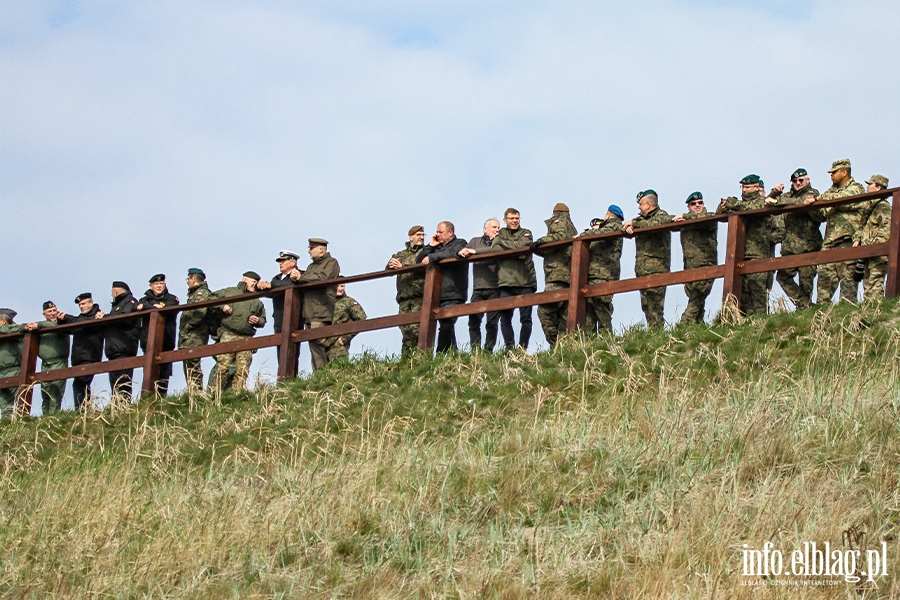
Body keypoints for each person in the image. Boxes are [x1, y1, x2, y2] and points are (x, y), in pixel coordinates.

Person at [808, 159, 869, 305]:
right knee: (823, 284)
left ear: (845, 172)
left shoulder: (856, 188)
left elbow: (845, 200)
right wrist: (811, 205)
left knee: (848, 286)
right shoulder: (830, 192)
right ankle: (821, 319)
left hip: (849, 241)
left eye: (834, 172)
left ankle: (847, 318)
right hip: (830, 243)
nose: (831, 175)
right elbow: (821, 214)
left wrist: (820, 199)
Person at [715, 175, 774, 316]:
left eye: (748, 187)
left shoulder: (761, 201)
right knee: (743, 291)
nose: (745, 190)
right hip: (740, 253)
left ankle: (762, 319)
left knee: (758, 289)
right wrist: (723, 204)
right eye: (743, 187)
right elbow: (720, 213)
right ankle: (748, 321)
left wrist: (732, 203)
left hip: (758, 253)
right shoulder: (738, 203)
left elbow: (752, 207)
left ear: (757, 187)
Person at [764, 169, 822, 310]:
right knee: (782, 276)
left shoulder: (812, 193)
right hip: (790, 248)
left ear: (807, 180)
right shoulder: (786, 196)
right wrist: (775, 193)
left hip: (808, 246)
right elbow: (767, 203)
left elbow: (800, 203)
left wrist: (778, 201)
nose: (797, 183)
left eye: (801, 180)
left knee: (806, 281)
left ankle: (805, 312)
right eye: (795, 181)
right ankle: (805, 306)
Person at [209, 272, 267, 394]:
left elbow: (263, 319)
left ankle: (238, 394)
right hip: (228, 334)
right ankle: (215, 393)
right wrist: (222, 306)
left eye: (256, 283)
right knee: (223, 365)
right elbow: (211, 298)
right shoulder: (230, 292)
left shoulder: (257, 301)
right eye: (253, 282)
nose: (255, 285)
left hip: (247, 337)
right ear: (245, 280)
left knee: (243, 368)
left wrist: (258, 320)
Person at [417, 221, 468, 352]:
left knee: (446, 323)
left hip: (454, 292)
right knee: (446, 324)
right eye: (437, 231)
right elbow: (419, 260)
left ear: (450, 233)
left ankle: (439, 354)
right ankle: (453, 353)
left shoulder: (460, 243)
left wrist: (432, 257)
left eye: (440, 232)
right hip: (437, 294)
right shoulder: (436, 247)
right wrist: (430, 246)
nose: (437, 234)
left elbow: (453, 253)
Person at [624, 190, 673, 327]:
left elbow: (655, 224)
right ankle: (653, 331)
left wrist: (634, 224)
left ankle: (657, 332)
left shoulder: (661, 215)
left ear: (648, 204)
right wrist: (628, 227)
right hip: (642, 269)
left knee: (656, 305)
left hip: (657, 268)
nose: (639, 207)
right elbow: (625, 226)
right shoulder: (640, 220)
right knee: (646, 305)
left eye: (640, 204)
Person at [491, 208, 537, 349]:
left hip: (526, 281)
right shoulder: (501, 233)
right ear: (505, 220)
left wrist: (506, 249)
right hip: (506, 282)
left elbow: (523, 245)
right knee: (505, 318)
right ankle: (509, 348)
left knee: (526, 318)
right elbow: (494, 250)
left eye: (517, 218)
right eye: (511, 218)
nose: (515, 221)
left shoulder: (526, 232)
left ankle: (522, 348)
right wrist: (516, 253)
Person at [533, 203, 577, 346]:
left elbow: (559, 237)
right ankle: (564, 346)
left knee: (545, 310)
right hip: (569, 276)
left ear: (554, 214)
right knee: (564, 315)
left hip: (558, 276)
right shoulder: (571, 226)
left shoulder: (560, 222)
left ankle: (555, 344)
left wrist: (538, 243)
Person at [672, 192, 718, 324]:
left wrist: (685, 216)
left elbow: (704, 220)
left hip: (706, 264)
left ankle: (684, 324)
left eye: (700, 203)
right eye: (693, 204)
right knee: (696, 297)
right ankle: (698, 325)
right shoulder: (685, 221)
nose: (697, 205)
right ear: (688, 206)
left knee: (697, 297)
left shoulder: (709, 218)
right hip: (689, 266)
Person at [578, 205, 624, 333]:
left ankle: (606, 339)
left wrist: (583, 235)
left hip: (604, 274)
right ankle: (591, 342)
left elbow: (604, 232)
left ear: (608, 215)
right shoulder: (606, 227)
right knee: (590, 310)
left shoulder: (614, 225)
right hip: (596, 274)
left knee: (602, 308)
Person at [298, 238, 341, 371]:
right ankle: (321, 374)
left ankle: (333, 369)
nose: (309, 251)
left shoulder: (331, 262)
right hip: (310, 311)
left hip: (321, 310)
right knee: (314, 344)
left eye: (311, 248)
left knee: (319, 341)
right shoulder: (311, 267)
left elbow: (323, 278)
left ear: (321, 250)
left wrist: (301, 277)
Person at [458, 218, 501, 351]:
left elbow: (494, 250)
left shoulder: (501, 242)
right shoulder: (475, 241)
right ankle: (475, 351)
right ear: (485, 229)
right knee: (474, 321)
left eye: (498, 227)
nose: (497, 230)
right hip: (478, 288)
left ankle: (488, 351)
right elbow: (463, 251)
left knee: (492, 322)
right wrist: (461, 252)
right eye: (494, 227)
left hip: (495, 288)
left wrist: (475, 252)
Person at [256, 251, 303, 371]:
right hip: (279, 317)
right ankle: (282, 377)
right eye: (280, 261)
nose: (280, 263)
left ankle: (292, 377)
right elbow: (273, 291)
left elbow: (285, 287)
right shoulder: (276, 278)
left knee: (292, 349)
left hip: (294, 316)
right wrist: (260, 286)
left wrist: (271, 287)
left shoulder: (299, 275)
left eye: (284, 261)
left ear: (293, 262)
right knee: (280, 348)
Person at [57, 293, 104, 409]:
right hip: (79, 358)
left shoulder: (96, 316)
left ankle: (81, 410)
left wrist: (67, 318)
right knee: (81, 384)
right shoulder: (80, 318)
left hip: (89, 356)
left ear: (91, 303)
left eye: (83, 304)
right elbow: (70, 328)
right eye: (80, 305)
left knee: (80, 383)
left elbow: (84, 324)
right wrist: (61, 320)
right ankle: (84, 409)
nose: (81, 306)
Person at [23, 301, 69, 415]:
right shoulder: (41, 327)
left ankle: (54, 416)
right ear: (44, 314)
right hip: (45, 363)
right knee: (45, 391)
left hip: (58, 362)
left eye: (54, 311)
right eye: (49, 311)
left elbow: (54, 325)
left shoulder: (60, 323)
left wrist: (37, 325)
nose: (53, 313)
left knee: (56, 390)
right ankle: (45, 417)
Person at [99, 281, 141, 405]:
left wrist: (105, 318)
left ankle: (123, 406)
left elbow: (125, 319)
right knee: (115, 383)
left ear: (116, 292)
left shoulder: (129, 302)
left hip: (124, 349)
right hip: (114, 350)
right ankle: (117, 406)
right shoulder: (117, 306)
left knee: (123, 382)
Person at [386, 226, 426, 356]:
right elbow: (388, 269)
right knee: (405, 329)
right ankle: (406, 360)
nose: (421, 237)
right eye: (418, 234)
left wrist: (404, 267)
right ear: (410, 237)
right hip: (404, 298)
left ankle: (421, 358)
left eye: (423, 234)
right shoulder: (401, 254)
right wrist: (391, 264)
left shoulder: (426, 252)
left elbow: (424, 266)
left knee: (417, 329)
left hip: (419, 296)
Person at [138, 274, 180, 395]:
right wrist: (152, 307)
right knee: (149, 372)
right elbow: (139, 306)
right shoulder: (145, 299)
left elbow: (172, 308)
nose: (159, 286)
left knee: (164, 373)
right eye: (156, 284)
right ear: (151, 286)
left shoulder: (171, 298)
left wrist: (150, 308)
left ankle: (161, 397)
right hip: (148, 343)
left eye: (161, 284)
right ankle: (148, 398)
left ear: (165, 285)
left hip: (166, 341)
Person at [853, 174, 891, 301]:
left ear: (879, 187)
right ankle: (869, 312)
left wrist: (874, 247)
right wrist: (857, 240)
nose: (867, 187)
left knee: (875, 283)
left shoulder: (883, 206)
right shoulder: (869, 207)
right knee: (867, 285)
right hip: (867, 253)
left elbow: (887, 228)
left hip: (877, 253)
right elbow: (861, 228)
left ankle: (877, 311)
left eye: (870, 184)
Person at [178, 268, 214, 395]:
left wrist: (188, 326)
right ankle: (193, 391)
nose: (187, 282)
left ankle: (196, 392)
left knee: (193, 364)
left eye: (188, 279)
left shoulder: (201, 293)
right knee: (188, 364)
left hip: (195, 335)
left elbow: (200, 312)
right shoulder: (194, 294)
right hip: (189, 336)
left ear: (193, 279)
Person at [324, 282, 367, 362]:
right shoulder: (326, 302)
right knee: (323, 373)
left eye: (342, 286)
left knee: (338, 370)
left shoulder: (349, 302)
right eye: (338, 286)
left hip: (338, 345)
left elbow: (361, 319)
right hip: (324, 345)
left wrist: (345, 338)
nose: (340, 289)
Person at [0, 309, 23, 418]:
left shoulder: (13, 329)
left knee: (8, 400)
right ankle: (7, 422)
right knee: (3, 401)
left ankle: (10, 423)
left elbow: (14, 329)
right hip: (2, 371)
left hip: (13, 369)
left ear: (4, 321)